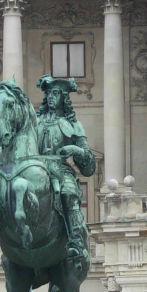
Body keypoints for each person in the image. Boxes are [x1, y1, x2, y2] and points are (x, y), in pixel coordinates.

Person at [35, 75, 95, 270]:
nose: (51, 97)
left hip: (61, 171)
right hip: (36, 170)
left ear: (63, 97)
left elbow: (89, 166)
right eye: (48, 93)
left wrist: (76, 150)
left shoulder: (73, 125)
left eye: (55, 93)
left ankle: (76, 244)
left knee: (69, 195)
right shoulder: (34, 122)